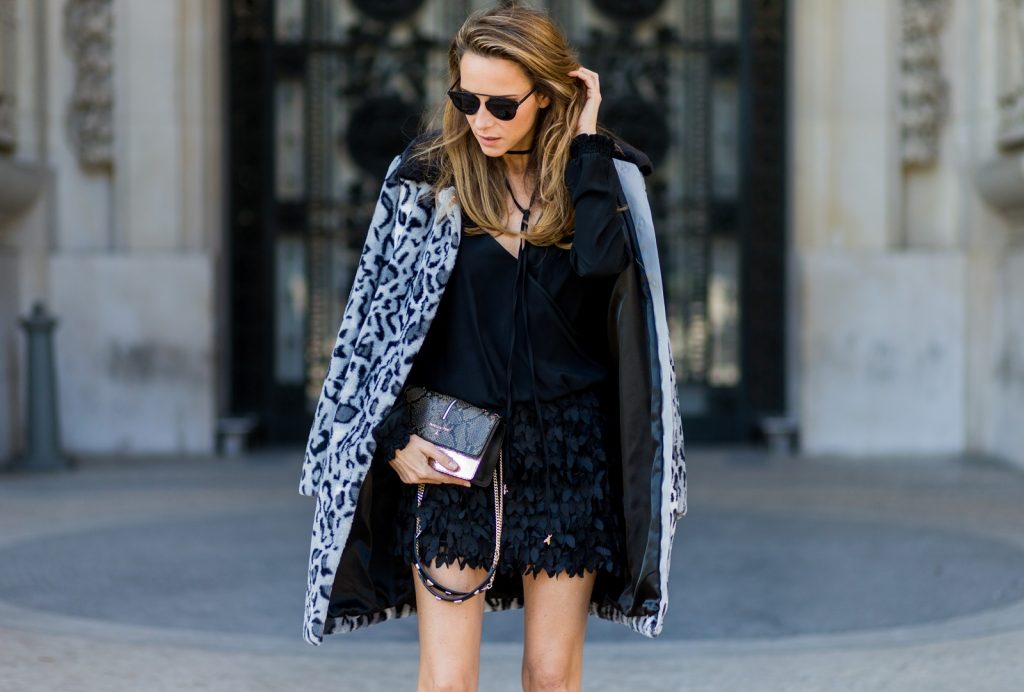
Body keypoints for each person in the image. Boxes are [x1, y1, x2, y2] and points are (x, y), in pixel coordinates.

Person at [297, 4, 687, 691]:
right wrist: (391, 439)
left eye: (502, 104)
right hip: (453, 448)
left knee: (549, 675)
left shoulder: (597, 177)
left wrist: (588, 142)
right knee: (447, 681)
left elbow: (603, 268)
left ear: (547, 95)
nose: (481, 119)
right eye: (466, 98)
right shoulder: (424, 181)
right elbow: (371, 333)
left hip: (567, 454)